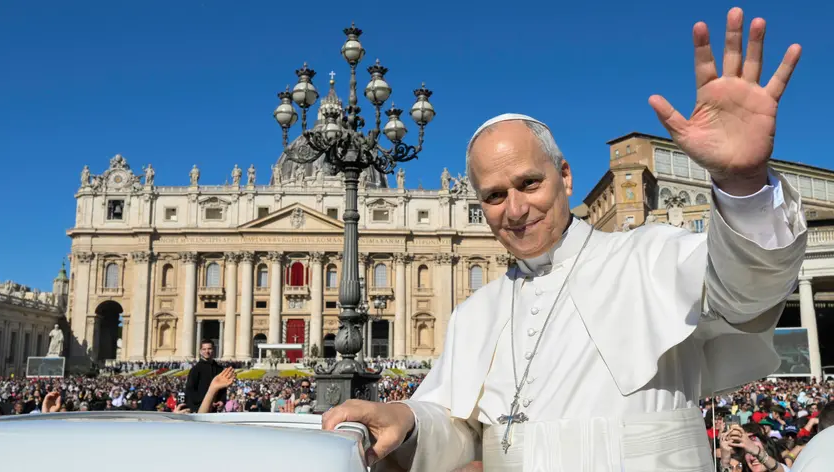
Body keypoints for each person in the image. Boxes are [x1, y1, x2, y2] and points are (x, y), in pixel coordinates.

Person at [323, 7, 807, 471]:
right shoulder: (475, 314)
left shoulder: (650, 256)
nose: (515, 209)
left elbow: (747, 291)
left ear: (566, 177)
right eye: (494, 196)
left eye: (529, 183)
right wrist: (406, 417)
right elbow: (459, 427)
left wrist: (742, 183)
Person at [184, 339, 225, 413]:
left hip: (215, 409)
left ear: (214, 350)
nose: (207, 351)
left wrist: (221, 400)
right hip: (200, 408)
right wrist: (207, 402)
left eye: (209, 349)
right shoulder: (195, 369)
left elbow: (223, 388)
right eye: (204, 349)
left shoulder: (219, 369)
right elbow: (190, 391)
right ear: (200, 351)